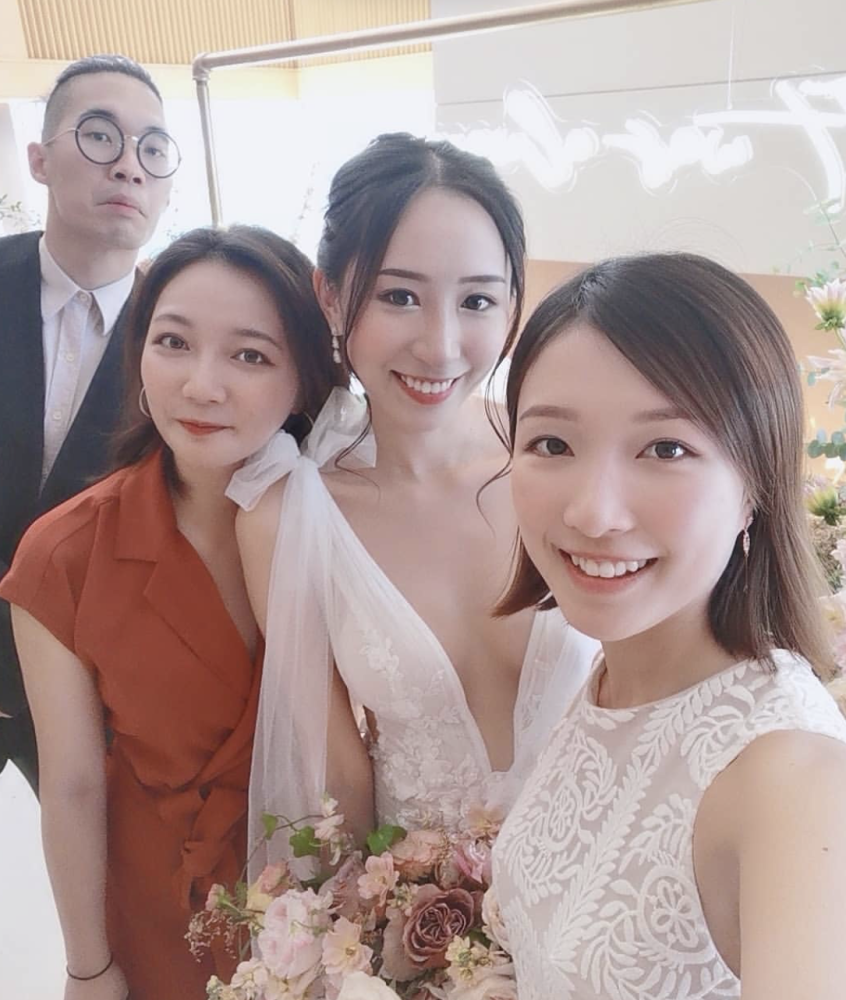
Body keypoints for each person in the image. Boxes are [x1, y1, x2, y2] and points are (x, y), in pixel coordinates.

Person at [230, 133, 598, 873]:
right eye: (399, 296)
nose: (440, 346)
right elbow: (338, 779)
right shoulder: (287, 516)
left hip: (615, 886)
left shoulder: (569, 455)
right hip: (426, 918)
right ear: (331, 295)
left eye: (476, 301)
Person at [490, 253, 846, 1000]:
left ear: (754, 486)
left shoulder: (792, 779)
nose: (593, 512)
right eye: (552, 444)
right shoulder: (611, 682)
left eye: (666, 449)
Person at [0, 226, 340, 1000]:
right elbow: (72, 786)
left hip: (334, 912)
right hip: (160, 920)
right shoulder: (64, 554)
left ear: (303, 378)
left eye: (250, 355)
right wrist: (88, 967)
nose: (201, 386)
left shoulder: (350, 529)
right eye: (173, 343)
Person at [0, 54, 178, 792]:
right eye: (100, 135)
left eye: (153, 149)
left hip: (87, 691)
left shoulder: (179, 335)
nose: (130, 166)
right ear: (39, 160)